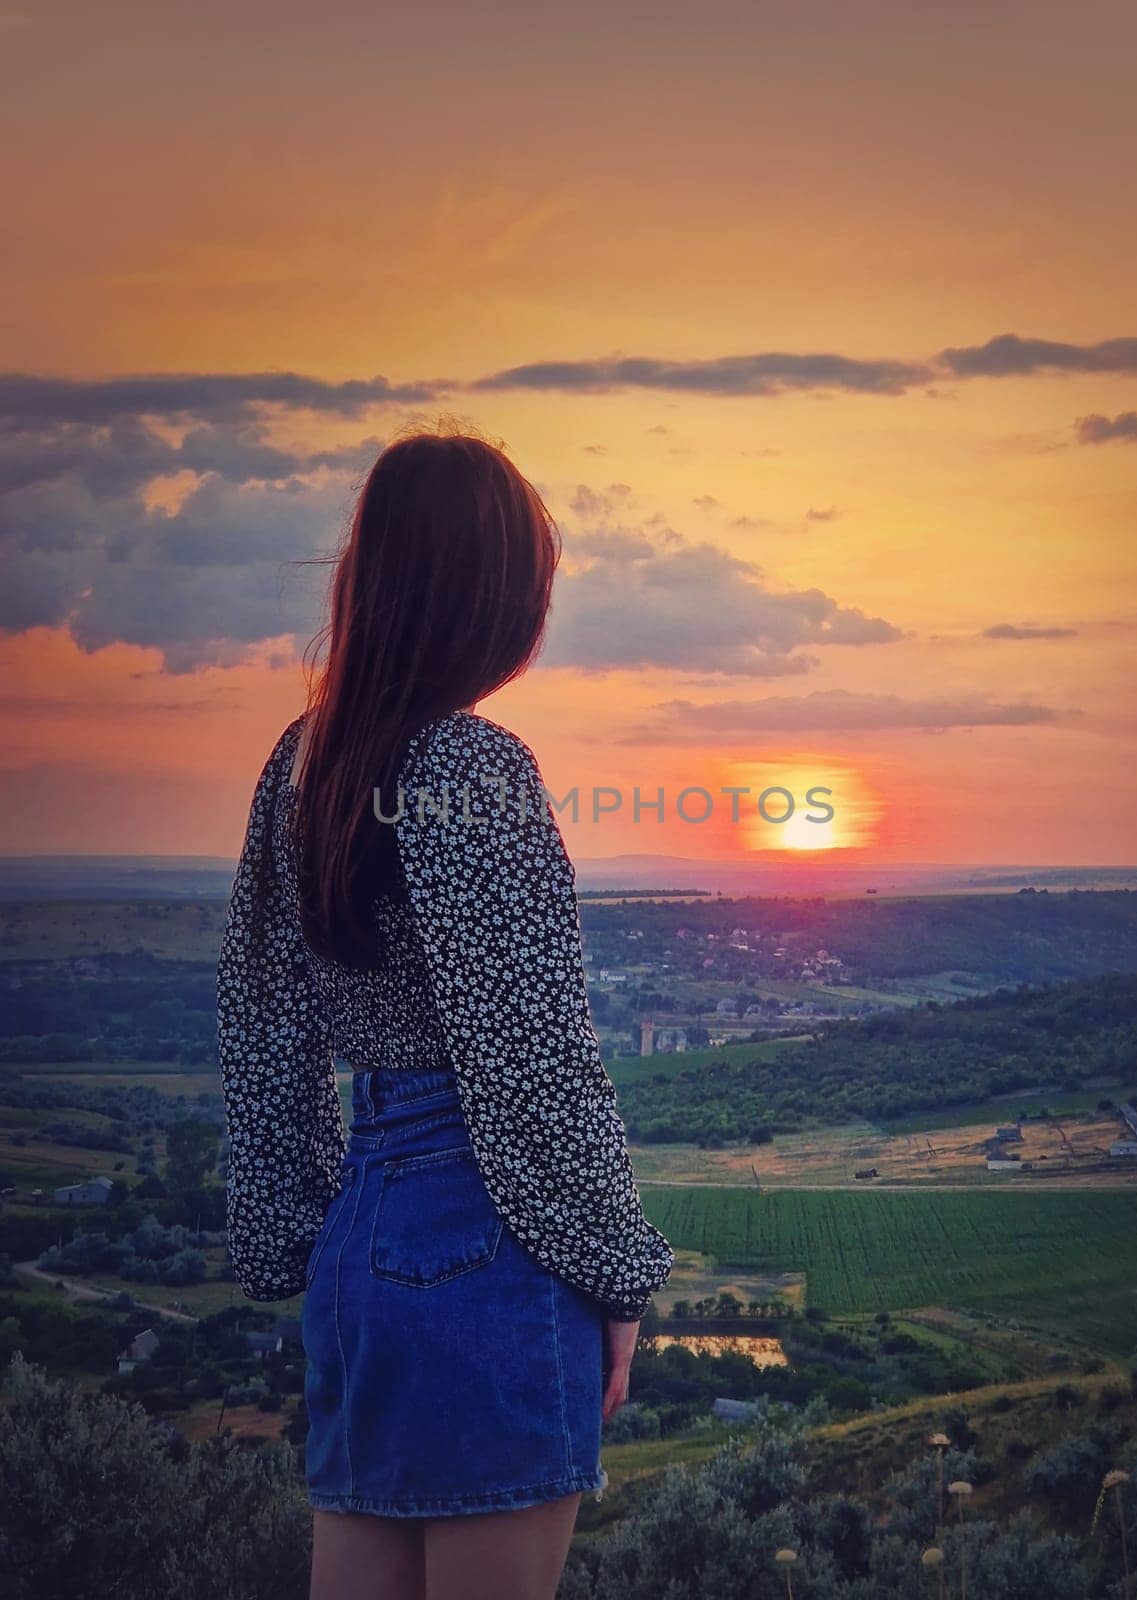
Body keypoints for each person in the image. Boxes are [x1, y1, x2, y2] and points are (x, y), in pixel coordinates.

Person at [216, 424, 674, 1600]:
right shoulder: (471, 766)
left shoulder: (300, 763)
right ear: (490, 596)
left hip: (360, 1255)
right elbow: (535, 1061)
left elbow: (262, 1026)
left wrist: (297, 1244)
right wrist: (615, 1275)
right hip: (490, 1244)